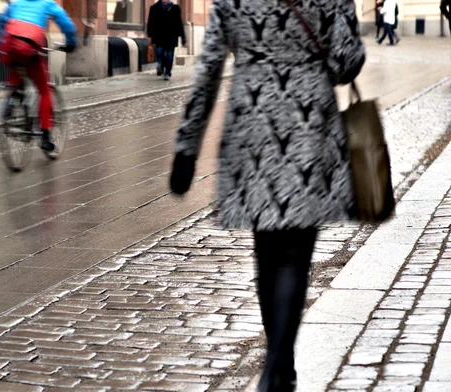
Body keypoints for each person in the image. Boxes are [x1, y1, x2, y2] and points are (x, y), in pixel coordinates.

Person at [169, 0, 365, 389]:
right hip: (309, 123)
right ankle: (277, 367)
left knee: (267, 253)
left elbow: (209, 67)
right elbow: (347, 61)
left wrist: (187, 144)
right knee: (295, 255)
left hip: (253, 124)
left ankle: (279, 367)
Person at [0, 0, 77, 152]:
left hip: (9, 47)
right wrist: (71, 42)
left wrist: (0, 40)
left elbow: (1, 22)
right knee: (44, 90)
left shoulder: (15, 4)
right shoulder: (47, 4)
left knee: (16, 68)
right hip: (30, 47)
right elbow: (65, 22)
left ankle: (14, 97)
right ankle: (45, 135)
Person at [147, 0, 186, 80]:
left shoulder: (175, 8)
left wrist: (183, 37)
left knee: (170, 55)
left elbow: (179, 23)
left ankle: (167, 72)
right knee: (159, 52)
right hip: (159, 36)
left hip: (171, 36)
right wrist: (150, 35)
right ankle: (161, 65)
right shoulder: (154, 8)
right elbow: (150, 22)